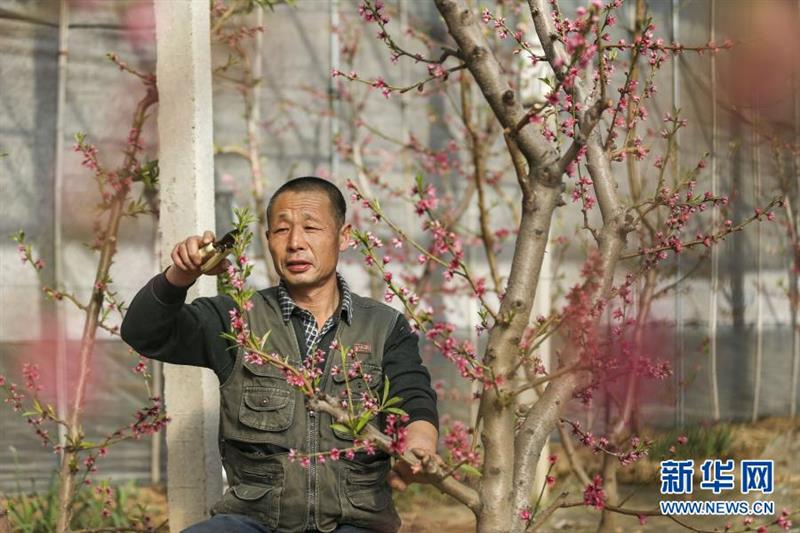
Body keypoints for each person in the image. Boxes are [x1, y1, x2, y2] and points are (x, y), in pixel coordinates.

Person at [120, 177, 439, 533]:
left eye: (311, 228)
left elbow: (413, 397)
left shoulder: (383, 325)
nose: (295, 243)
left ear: (344, 236)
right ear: (268, 239)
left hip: (355, 522)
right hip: (254, 521)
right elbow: (143, 333)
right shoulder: (237, 318)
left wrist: (420, 447)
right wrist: (179, 276)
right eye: (282, 230)